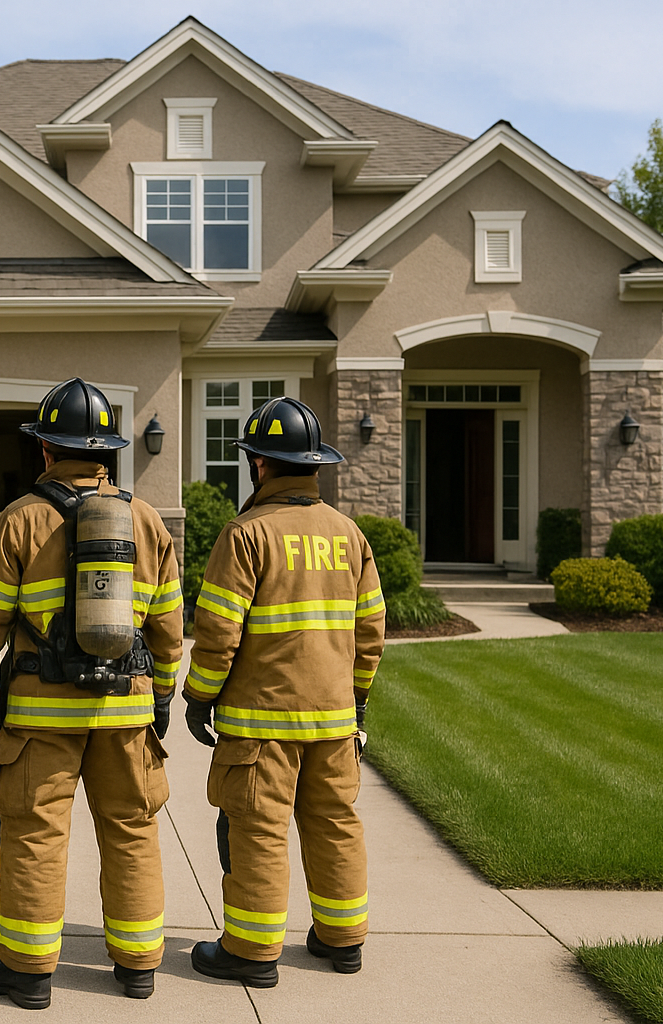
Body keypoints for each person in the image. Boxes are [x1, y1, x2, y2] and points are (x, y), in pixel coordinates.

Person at [0, 377, 184, 1010]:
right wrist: (160, 695)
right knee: (132, 831)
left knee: (34, 835)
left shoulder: (19, 520)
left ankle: (27, 972)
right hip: (126, 710)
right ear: (106, 452)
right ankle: (138, 967)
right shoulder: (143, 520)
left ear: (46, 452)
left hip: (39, 715)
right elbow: (167, 624)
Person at [182, 395, 384, 988]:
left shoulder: (246, 535)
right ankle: (342, 939)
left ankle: (250, 951)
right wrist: (358, 697)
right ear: (315, 464)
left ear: (260, 465)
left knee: (258, 827)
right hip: (335, 719)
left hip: (260, 722)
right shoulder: (350, 536)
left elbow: (219, 631)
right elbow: (370, 631)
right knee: (335, 822)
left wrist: (199, 696)